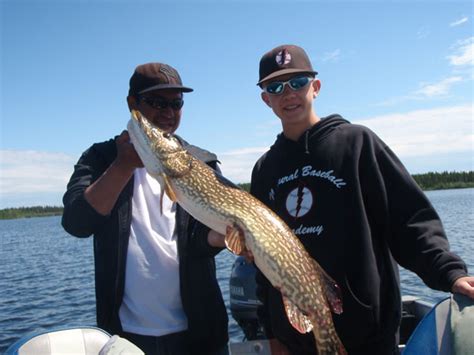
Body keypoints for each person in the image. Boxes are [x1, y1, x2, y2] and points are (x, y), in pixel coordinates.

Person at [250, 44, 474, 355]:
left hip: (367, 336)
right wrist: (272, 330)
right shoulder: (264, 169)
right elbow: (261, 259)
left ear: (315, 86)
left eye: (298, 82)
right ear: (266, 99)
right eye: (275, 87)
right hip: (297, 340)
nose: (288, 94)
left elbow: (409, 219)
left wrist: (450, 273)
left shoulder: (357, 144)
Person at [62, 62, 229, 355]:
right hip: (127, 339)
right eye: (156, 102)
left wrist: (223, 237)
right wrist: (123, 165)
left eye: (176, 103)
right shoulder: (99, 158)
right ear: (132, 104)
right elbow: (76, 223)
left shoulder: (201, 163)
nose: (167, 112)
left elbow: (199, 242)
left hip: (199, 334)